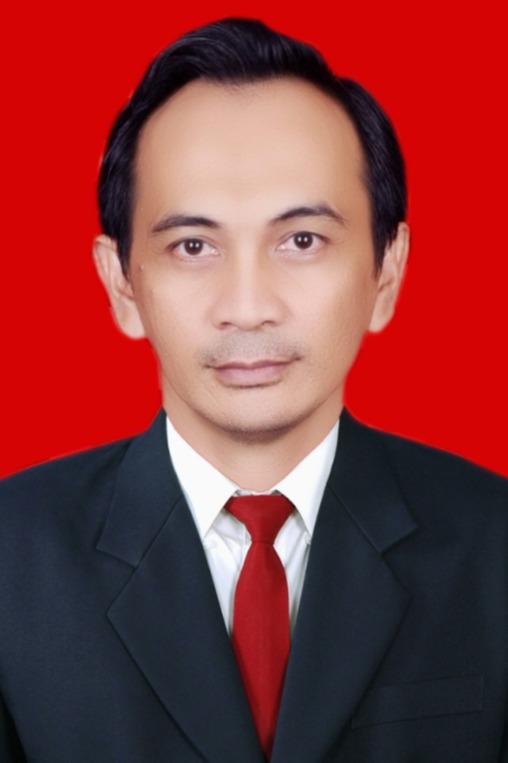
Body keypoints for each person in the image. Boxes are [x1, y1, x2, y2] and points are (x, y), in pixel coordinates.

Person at [0, 17, 506, 763]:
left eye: (301, 240)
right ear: (122, 285)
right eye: (192, 245)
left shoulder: (496, 547)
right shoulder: (11, 557)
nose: (247, 305)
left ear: (386, 272)